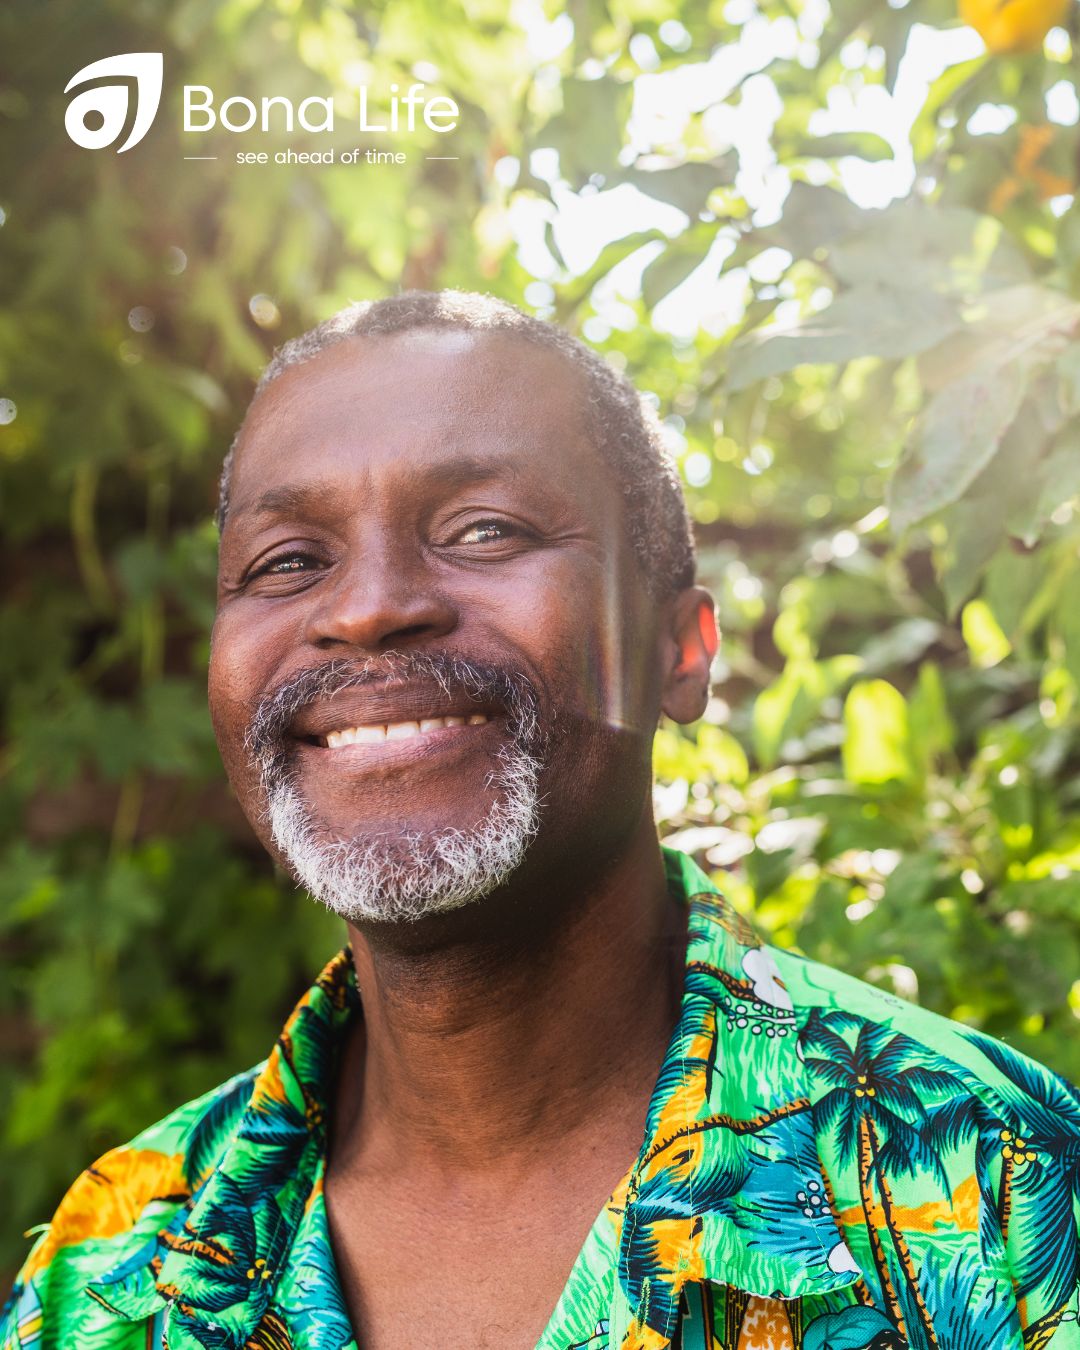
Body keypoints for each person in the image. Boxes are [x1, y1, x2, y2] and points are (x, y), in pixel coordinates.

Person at [3, 291, 1079, 1350]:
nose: (368, 606)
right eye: (288, 561)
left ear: (680, 650)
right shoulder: (109, 1279)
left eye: (483, 530)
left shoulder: (1001, 1191)